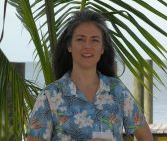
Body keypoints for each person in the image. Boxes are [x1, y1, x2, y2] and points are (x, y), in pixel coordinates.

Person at [27, 10, 153, 141]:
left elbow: (146, 137)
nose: (87, 46)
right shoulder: (49, 96)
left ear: (102, 48)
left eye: (94, 40)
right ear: (69, 46)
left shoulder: (117, 90)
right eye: (80, 39)